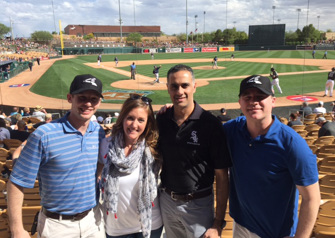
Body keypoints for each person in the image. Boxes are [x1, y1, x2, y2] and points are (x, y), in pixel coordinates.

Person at [7, 74, 106, 238]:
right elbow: (16, 182)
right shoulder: (44, 135)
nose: (88, 103)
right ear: (70, 98)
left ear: (99, 102)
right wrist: (17, 229)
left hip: (93, 221)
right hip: (57, 226)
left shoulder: (98, 132)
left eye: (93, 99)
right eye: (82, 97)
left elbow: (96, 166)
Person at [223, 75, 320, 238]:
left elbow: (312, 199)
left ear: (273, 101)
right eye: (247, 97)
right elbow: (204, 130)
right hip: (241, 225)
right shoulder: (232, 130)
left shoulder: (292, 144)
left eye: (260, 97)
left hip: (276, 233)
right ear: (240, 102)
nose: (253, 101)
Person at [157, 64, 231, 238]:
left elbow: (222, 176)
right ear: (168, 88)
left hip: (199, 204)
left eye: (185, 85)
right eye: (174, 86)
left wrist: (218, 222)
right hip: (167, 201)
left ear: (194, 87)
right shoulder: (161, 119)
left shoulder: (210, 124)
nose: (179, 91)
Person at [99, 93, 163, 238]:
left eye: (141, 120)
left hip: (150, 226)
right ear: (122, 119)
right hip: (116, 229)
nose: (134, 125)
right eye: (130, 118)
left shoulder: (154, 147)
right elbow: (97, 175)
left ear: (148, 123)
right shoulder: (107, 145)